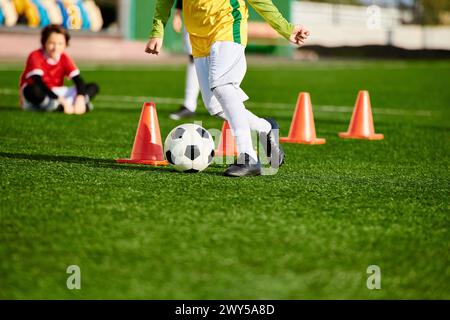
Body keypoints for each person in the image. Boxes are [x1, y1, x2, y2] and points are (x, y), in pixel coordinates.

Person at [146, 0, 310, 177]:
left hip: (227, 25)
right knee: (215, 107)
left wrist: (285, 27)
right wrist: (158, 30)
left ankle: (248, 157)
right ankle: (265, 128)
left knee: (222, 84)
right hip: (198, 37)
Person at [19, 24, 99, 114]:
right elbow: (38, 81)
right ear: (44, 42)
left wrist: (80, 98)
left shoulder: (64, 57)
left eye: (60, 44)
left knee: (92, 87)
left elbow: (78, 79)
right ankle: (56, 105)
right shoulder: (36, 55)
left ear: (65, 45)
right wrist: (58, 99)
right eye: (51, 43)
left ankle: (74, 105)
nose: (56, 48)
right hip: (43, 94)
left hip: (57, 92)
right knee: (33, 90)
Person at [168, 0, 200, 120]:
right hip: (192, 14)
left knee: (218, 58)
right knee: (194, 57)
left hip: (220, 16)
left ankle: (226, 105)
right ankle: (189, 105)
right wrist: (177, 12)